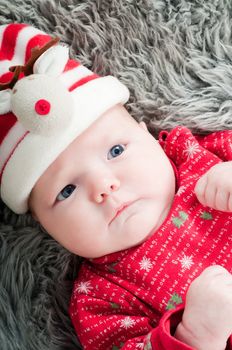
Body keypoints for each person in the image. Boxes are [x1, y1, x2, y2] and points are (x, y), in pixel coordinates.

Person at [0, 23, 232, 350]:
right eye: (66, 191)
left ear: (148, 136)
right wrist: (194, 336)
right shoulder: (99, 297)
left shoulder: (199, 156)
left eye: (116, 151)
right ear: (43, 223)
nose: (103, 186)